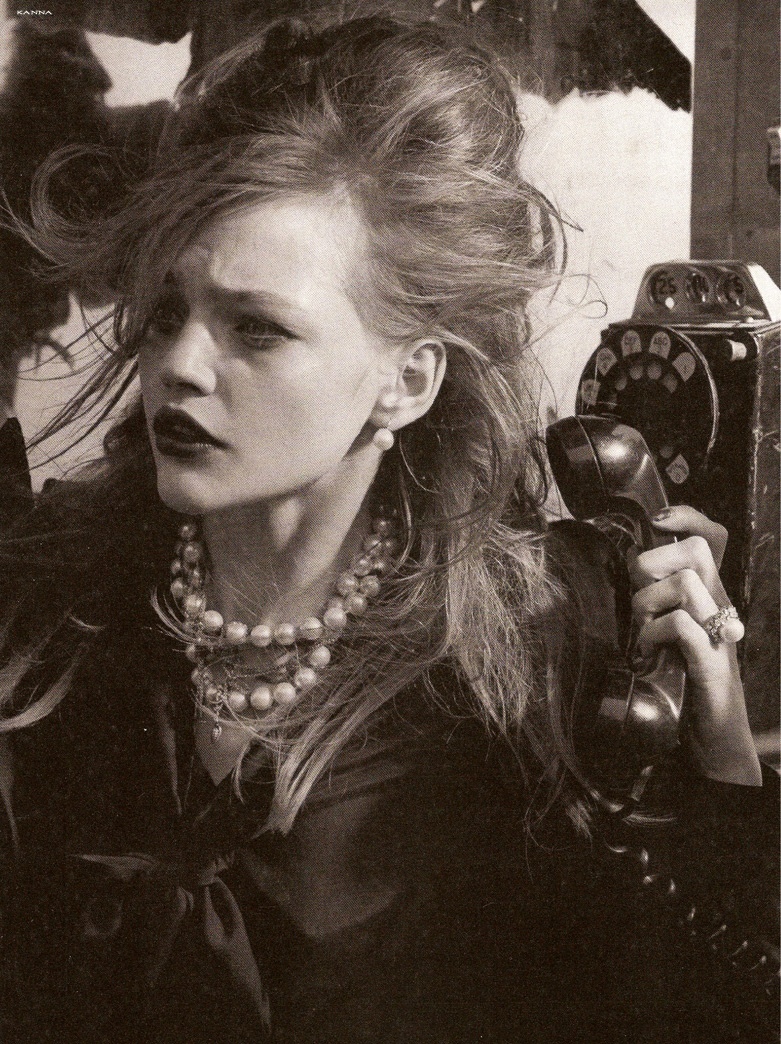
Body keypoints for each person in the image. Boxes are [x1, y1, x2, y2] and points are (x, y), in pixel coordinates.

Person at [0, 17, 777, 1044]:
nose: (180, 366)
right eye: (166, 312)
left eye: (256, 329)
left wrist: (719, 754)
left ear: (406, 382)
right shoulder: (47, 617)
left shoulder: (537, 647)